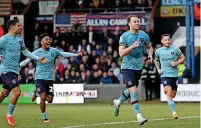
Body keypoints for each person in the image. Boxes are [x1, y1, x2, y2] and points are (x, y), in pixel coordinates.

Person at [20, 33, 82, 123]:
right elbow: (27, 60)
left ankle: (37, 91)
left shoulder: (54, 51)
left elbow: (62, 54)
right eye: (46, 39)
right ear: (41, 42)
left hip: (49, 79)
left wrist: (76, 55)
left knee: (49, 100)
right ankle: (44, 117)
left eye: (49, 39)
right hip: (39, 78)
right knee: (43, 96)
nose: (48, 41)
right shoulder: (37, 52)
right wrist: (19, 65)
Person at [0, 19, 47, 127]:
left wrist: (38, 58)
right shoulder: (3, 39)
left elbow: (26, 52)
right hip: (6, 70)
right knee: (17, 91)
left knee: (4, 94)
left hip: (15, 70)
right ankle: (9, 115)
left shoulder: (20, 40)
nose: (21, 27)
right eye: (18, 26)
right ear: (12, 27)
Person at [113, 15, 153, 125]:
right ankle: (139, 116)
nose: (137, 23)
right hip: (127, 67)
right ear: (129, 24)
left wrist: (150, 54)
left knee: (131, 91)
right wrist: (132, 47)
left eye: (138, 21)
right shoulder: (124, 36)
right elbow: (121, 53)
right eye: (134, 22)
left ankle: (118, 102)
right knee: (134, 91)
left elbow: (149, 46)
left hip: (138, 67)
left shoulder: (143, 35)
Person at [154, 34, 185, 119]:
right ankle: (174, 113)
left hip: (174, 75)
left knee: (173, 95)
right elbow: (155, 60)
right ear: (162, 41)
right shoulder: (158, 51)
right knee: (169, 93)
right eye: (165, 40)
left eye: (168, 39)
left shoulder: (175, 49)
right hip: (165, 75)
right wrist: (158, 69)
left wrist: (176, 63)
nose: (167, 41)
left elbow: (183, 58)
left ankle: (167, 90)